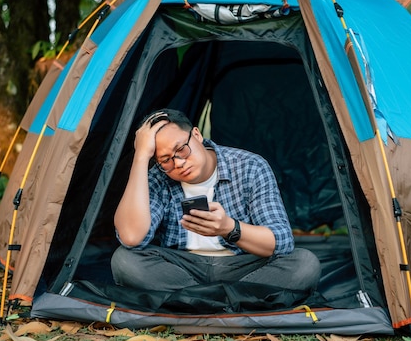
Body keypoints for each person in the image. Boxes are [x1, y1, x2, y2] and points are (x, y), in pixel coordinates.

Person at [111, 108, 321, 296]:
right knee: (124, 260)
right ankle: (230, 302)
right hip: (182, 267)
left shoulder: (250, 166)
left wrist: (230, 228)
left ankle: (195, 301)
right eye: (166, 160)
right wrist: (140, 157)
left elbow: (282, 241)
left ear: (196, 134)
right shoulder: (159, 176)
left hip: (242, 267)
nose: (179, 163)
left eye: (181, 149)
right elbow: (131, 238)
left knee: (304, 264)